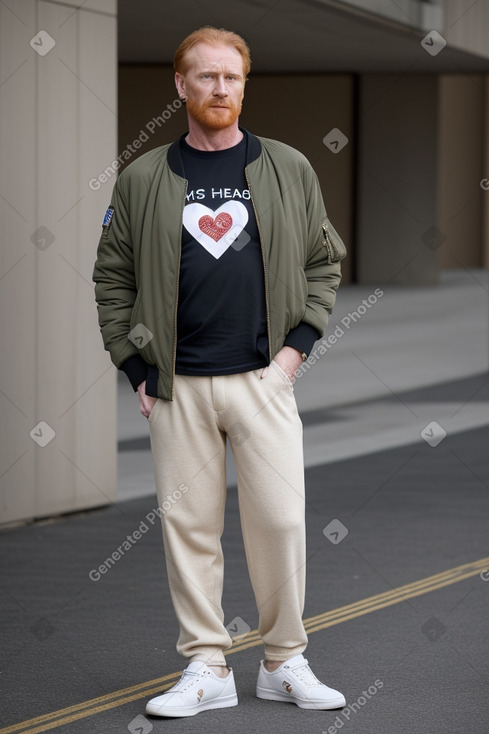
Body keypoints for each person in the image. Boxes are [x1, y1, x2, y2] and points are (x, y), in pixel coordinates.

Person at [93, 26, 347, 718]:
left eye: (230, 77)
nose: (219, 89)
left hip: (262, 380)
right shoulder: (143, 177)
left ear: (244, 84)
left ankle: (282, 660)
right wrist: (134, 366)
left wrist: (294, 351)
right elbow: (111, 277)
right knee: (190, 529)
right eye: (204, 77)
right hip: (177, 386)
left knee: (279, 522)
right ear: (180, 86)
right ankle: (206, 667)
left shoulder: (287, 167)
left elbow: (324, 262)